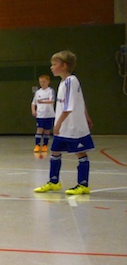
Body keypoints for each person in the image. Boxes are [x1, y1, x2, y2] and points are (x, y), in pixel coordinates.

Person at [34, 50, 94, 196]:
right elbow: (80, 101)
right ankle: (54, 182)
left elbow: (68, 106)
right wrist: (87, 116)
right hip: (65, 126)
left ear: (64, 65)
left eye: (54, 64)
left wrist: (58, 124)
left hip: (73, 126)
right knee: (55, 151)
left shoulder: (70, 81)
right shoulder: (62, 83)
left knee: (80, 153)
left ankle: (83, 185)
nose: (51, 67)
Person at [31, 74, 55, 153]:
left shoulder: (50, 91)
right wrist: (33, 110)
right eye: (40, 82)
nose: (42, 83)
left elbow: (52, 101)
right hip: (40, 115)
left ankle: (45, 145)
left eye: (44, 81)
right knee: (39, 129)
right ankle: (37, 145)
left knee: (47, 131)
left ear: (48, 82)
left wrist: (42, 102)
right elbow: (33, 103)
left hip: (49, 114)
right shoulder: (38, 92)